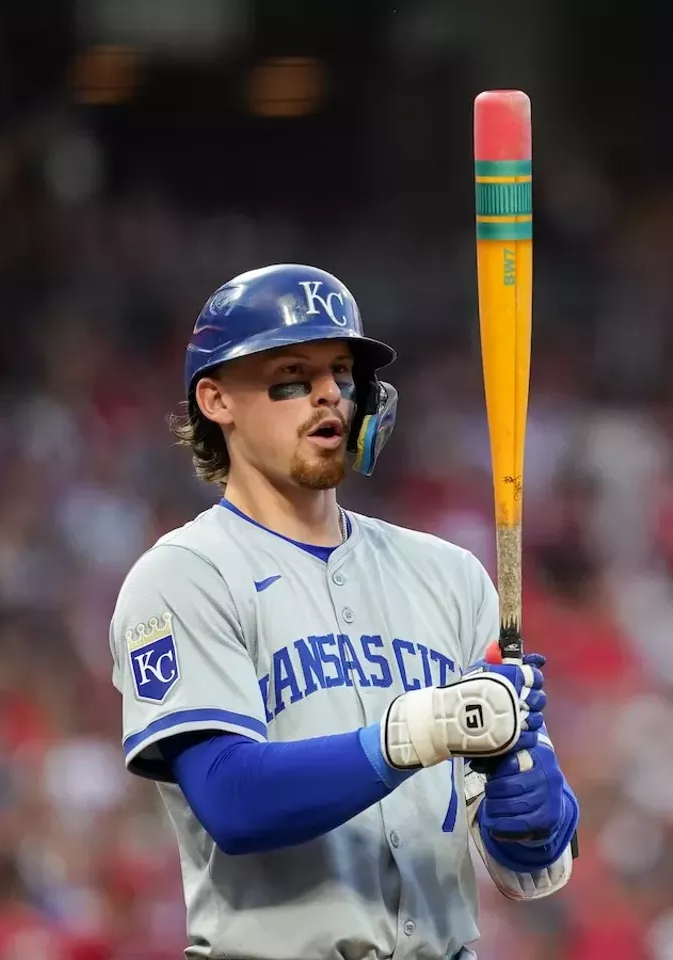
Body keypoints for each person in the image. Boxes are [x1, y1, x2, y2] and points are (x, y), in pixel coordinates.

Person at [107, 264, 579, 960]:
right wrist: (418, 731)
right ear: (217, 400)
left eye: (341, 374)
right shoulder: (186, 575)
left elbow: (524, 863)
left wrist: (531, 813)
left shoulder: (449, 575)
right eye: (292, 376)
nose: (328, 394)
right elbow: (232, 802)